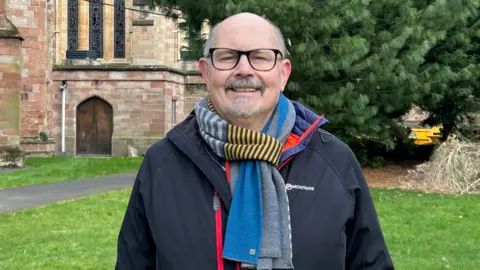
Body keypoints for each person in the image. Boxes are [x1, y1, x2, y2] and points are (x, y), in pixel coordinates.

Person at [115, 12, 394, 270]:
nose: (244, 69)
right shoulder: (163, 163)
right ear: (205, 71)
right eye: (227, 57)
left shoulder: (333, 160)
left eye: (260, 57)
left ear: (283, 73)